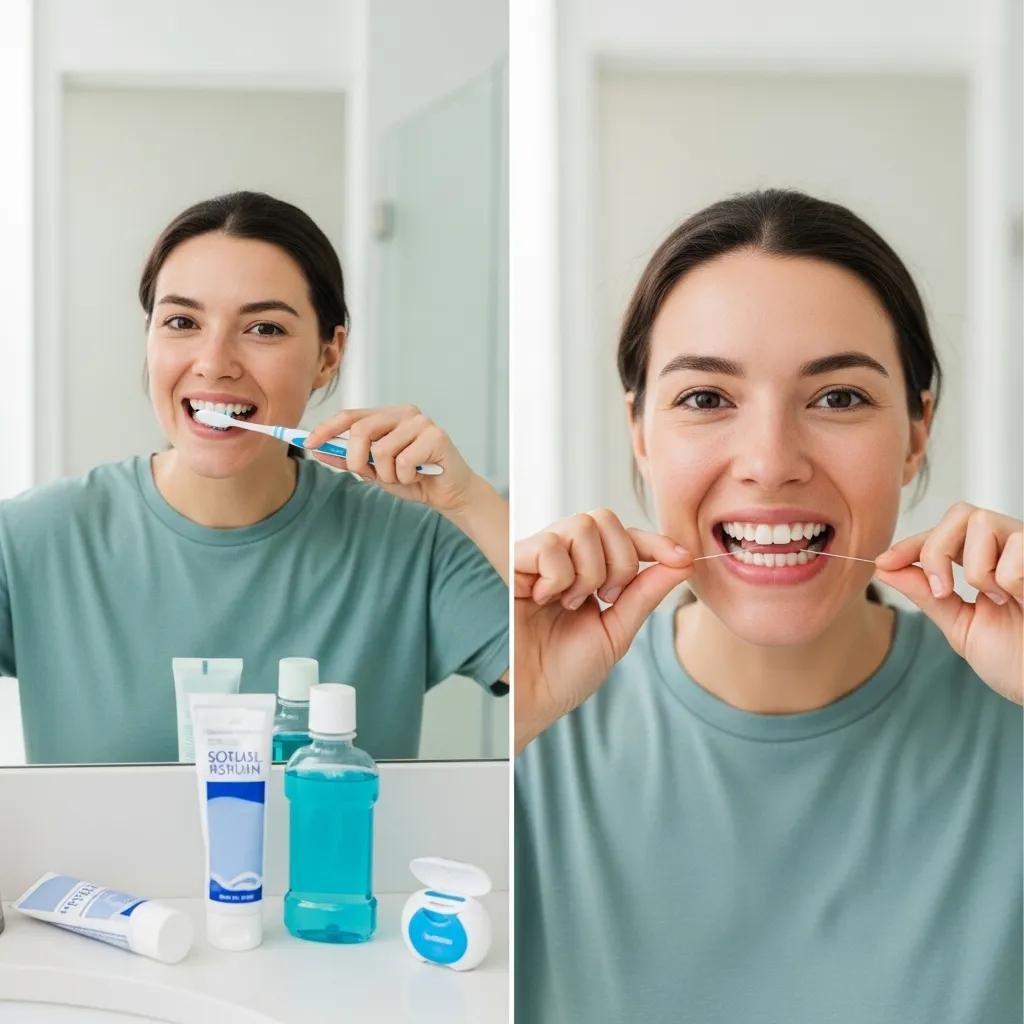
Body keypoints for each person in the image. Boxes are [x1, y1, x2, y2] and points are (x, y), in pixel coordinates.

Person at [515, 189, 1022, 1023]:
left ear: (918, 429)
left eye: (839, 398)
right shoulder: (538, 734)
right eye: (706, 399)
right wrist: (518, 712)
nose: (770, 461)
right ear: (640, 431)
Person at [0, 191, 508, 764]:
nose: (215, 362)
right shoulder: (27, 539)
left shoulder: (420, 541)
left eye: (264, 328)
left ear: (327, 355)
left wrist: (470, 501)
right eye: (181, 322)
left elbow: (580, 693)